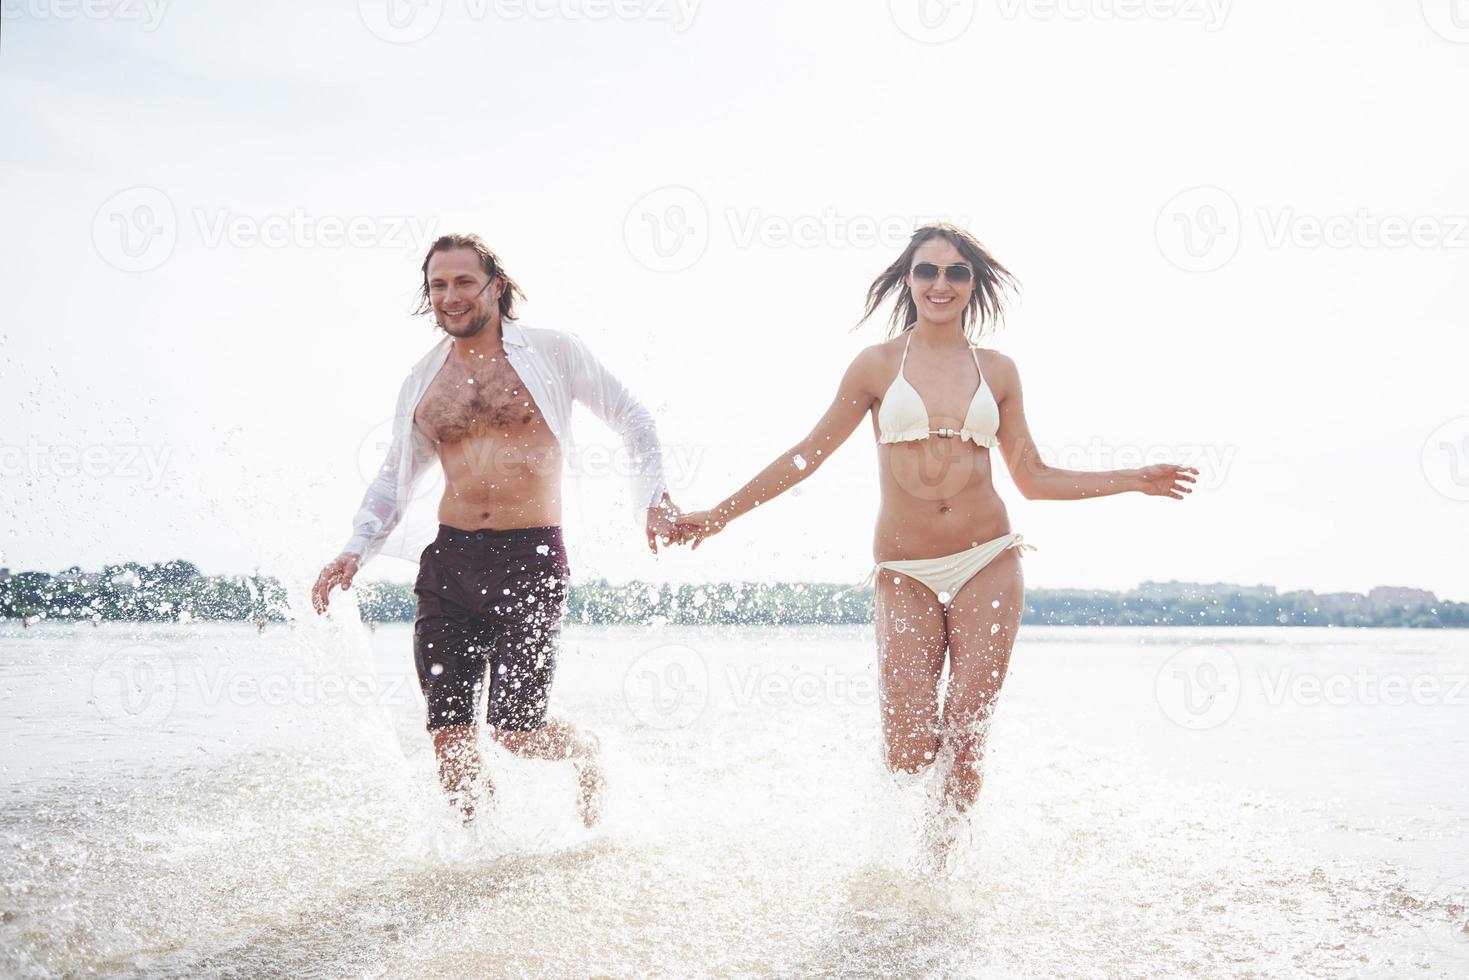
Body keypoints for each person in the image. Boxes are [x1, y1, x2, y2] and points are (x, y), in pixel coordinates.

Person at [676, 223, 1198, 859]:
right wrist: (720, 514)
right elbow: (805, 456)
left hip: (988, 559)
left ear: (973, 285)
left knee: (967, 732)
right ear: (908, 280)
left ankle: (937, 875)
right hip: (905, 568)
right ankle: (892, 865)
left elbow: (1031, 478)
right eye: (927, 271)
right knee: (908, 749)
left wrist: (1132, 480)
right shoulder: (875, 366)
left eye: (956, 272)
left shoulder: (998, 370)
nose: (941, 284)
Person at [312, 233, 683, 826]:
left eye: (463, 282)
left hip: (528, 556)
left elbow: (633, 417)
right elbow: (394, 477)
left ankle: (588, 753)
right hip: (449, 562)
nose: (450, 296)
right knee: (449, 736)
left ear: (496, 287)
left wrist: (652, 500)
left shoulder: (553, 352)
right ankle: (476, 865)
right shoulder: (423, 380)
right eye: (438, 285)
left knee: (515, 731)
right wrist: (354, 551)